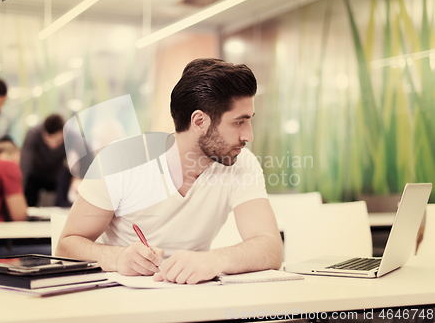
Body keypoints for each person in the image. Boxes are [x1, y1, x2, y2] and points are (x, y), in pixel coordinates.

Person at [57, 58, 283, 285]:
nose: (248, 136)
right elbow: (66, 246)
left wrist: (213, 260)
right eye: (239, 122)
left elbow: (270, 248)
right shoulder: (120, 160)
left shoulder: (242, 163)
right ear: (199, 121)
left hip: (195, 297)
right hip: (125, 300)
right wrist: (118, 258)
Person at [20, 114, 67, 207]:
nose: (52, 145)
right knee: (28, 187)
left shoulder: (74, 137)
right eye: (48, 141)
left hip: (57, 175)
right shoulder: (33, 134)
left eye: (57, 141)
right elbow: (25, 164)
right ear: (42, 131)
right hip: (36, 173)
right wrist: (20, 190)